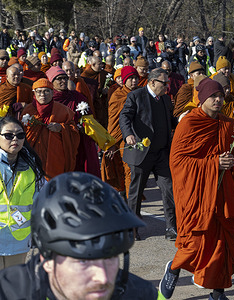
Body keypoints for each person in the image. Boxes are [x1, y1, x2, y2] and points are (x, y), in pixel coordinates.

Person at [0, 172, 160, 299]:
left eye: (110, 257)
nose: (102, 278)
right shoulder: (8, 292)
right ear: (46, 259)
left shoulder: (143, 294)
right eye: (83, 261)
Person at [159, 78, 234, 300]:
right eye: (213, 97)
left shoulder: (228, 124)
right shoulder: (189, 123)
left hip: (223, 193)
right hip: (197, 194)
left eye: (220, 97)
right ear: (202, 99)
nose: (218, 100)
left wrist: (232, 162)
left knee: (225, 243)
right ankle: (174, 268)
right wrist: (213, 164)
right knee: (194, 243)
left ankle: (218, 292)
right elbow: (177, 162)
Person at [119, 68, 177, 240]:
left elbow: (170, 120)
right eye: (164, 83)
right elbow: (125, 116)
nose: (167, 86)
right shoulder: (136, 96)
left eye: (167, 83)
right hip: (141, 152)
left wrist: (181, 119)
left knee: (168, 189)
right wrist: (128, 134)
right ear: (152, 82)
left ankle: (171, 227)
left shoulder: (165, 99)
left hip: (161, 153)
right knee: (136, 192)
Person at [0, 116, 45, 270]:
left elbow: (42, 199)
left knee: (13, 288)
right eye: (8, 135)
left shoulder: (32, 166)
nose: (15, 139)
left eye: (20, 135)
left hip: (18, 240)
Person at [20, 78, 80, 179]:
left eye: (46, 91)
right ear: (34, 94)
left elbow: (74, 131)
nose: (42, 94)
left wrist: (61, 128)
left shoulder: (63, 110)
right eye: (39, 91)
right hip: (34, 154)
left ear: (52, 93)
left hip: (56, 156)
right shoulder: (28, 110)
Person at [47, 66, 100, 177]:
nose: (63, 81)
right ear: (51, 82)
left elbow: (89, 118)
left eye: (65, 78)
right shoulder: (48, 99)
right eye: (59, 79)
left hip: (78, 141)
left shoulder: (77, 97)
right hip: (57, 142)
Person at [102, 66, 139, 199]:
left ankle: (131, 198)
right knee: (128, 169)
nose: (134, 81)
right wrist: (111, 141)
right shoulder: (117, 95)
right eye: (130, 78)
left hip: (138, 136)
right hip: (122, 137)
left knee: (133, 170)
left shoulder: (141, 93)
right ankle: (130, 199)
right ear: (124, 80)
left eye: (136, 78)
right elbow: (113, 119)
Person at [81, 56, 108, 128]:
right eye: (99, 64)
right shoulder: (85, 75)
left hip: (101, 103)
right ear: (93, 65)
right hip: (91, 102)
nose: (101, 66)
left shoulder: (103, 74)